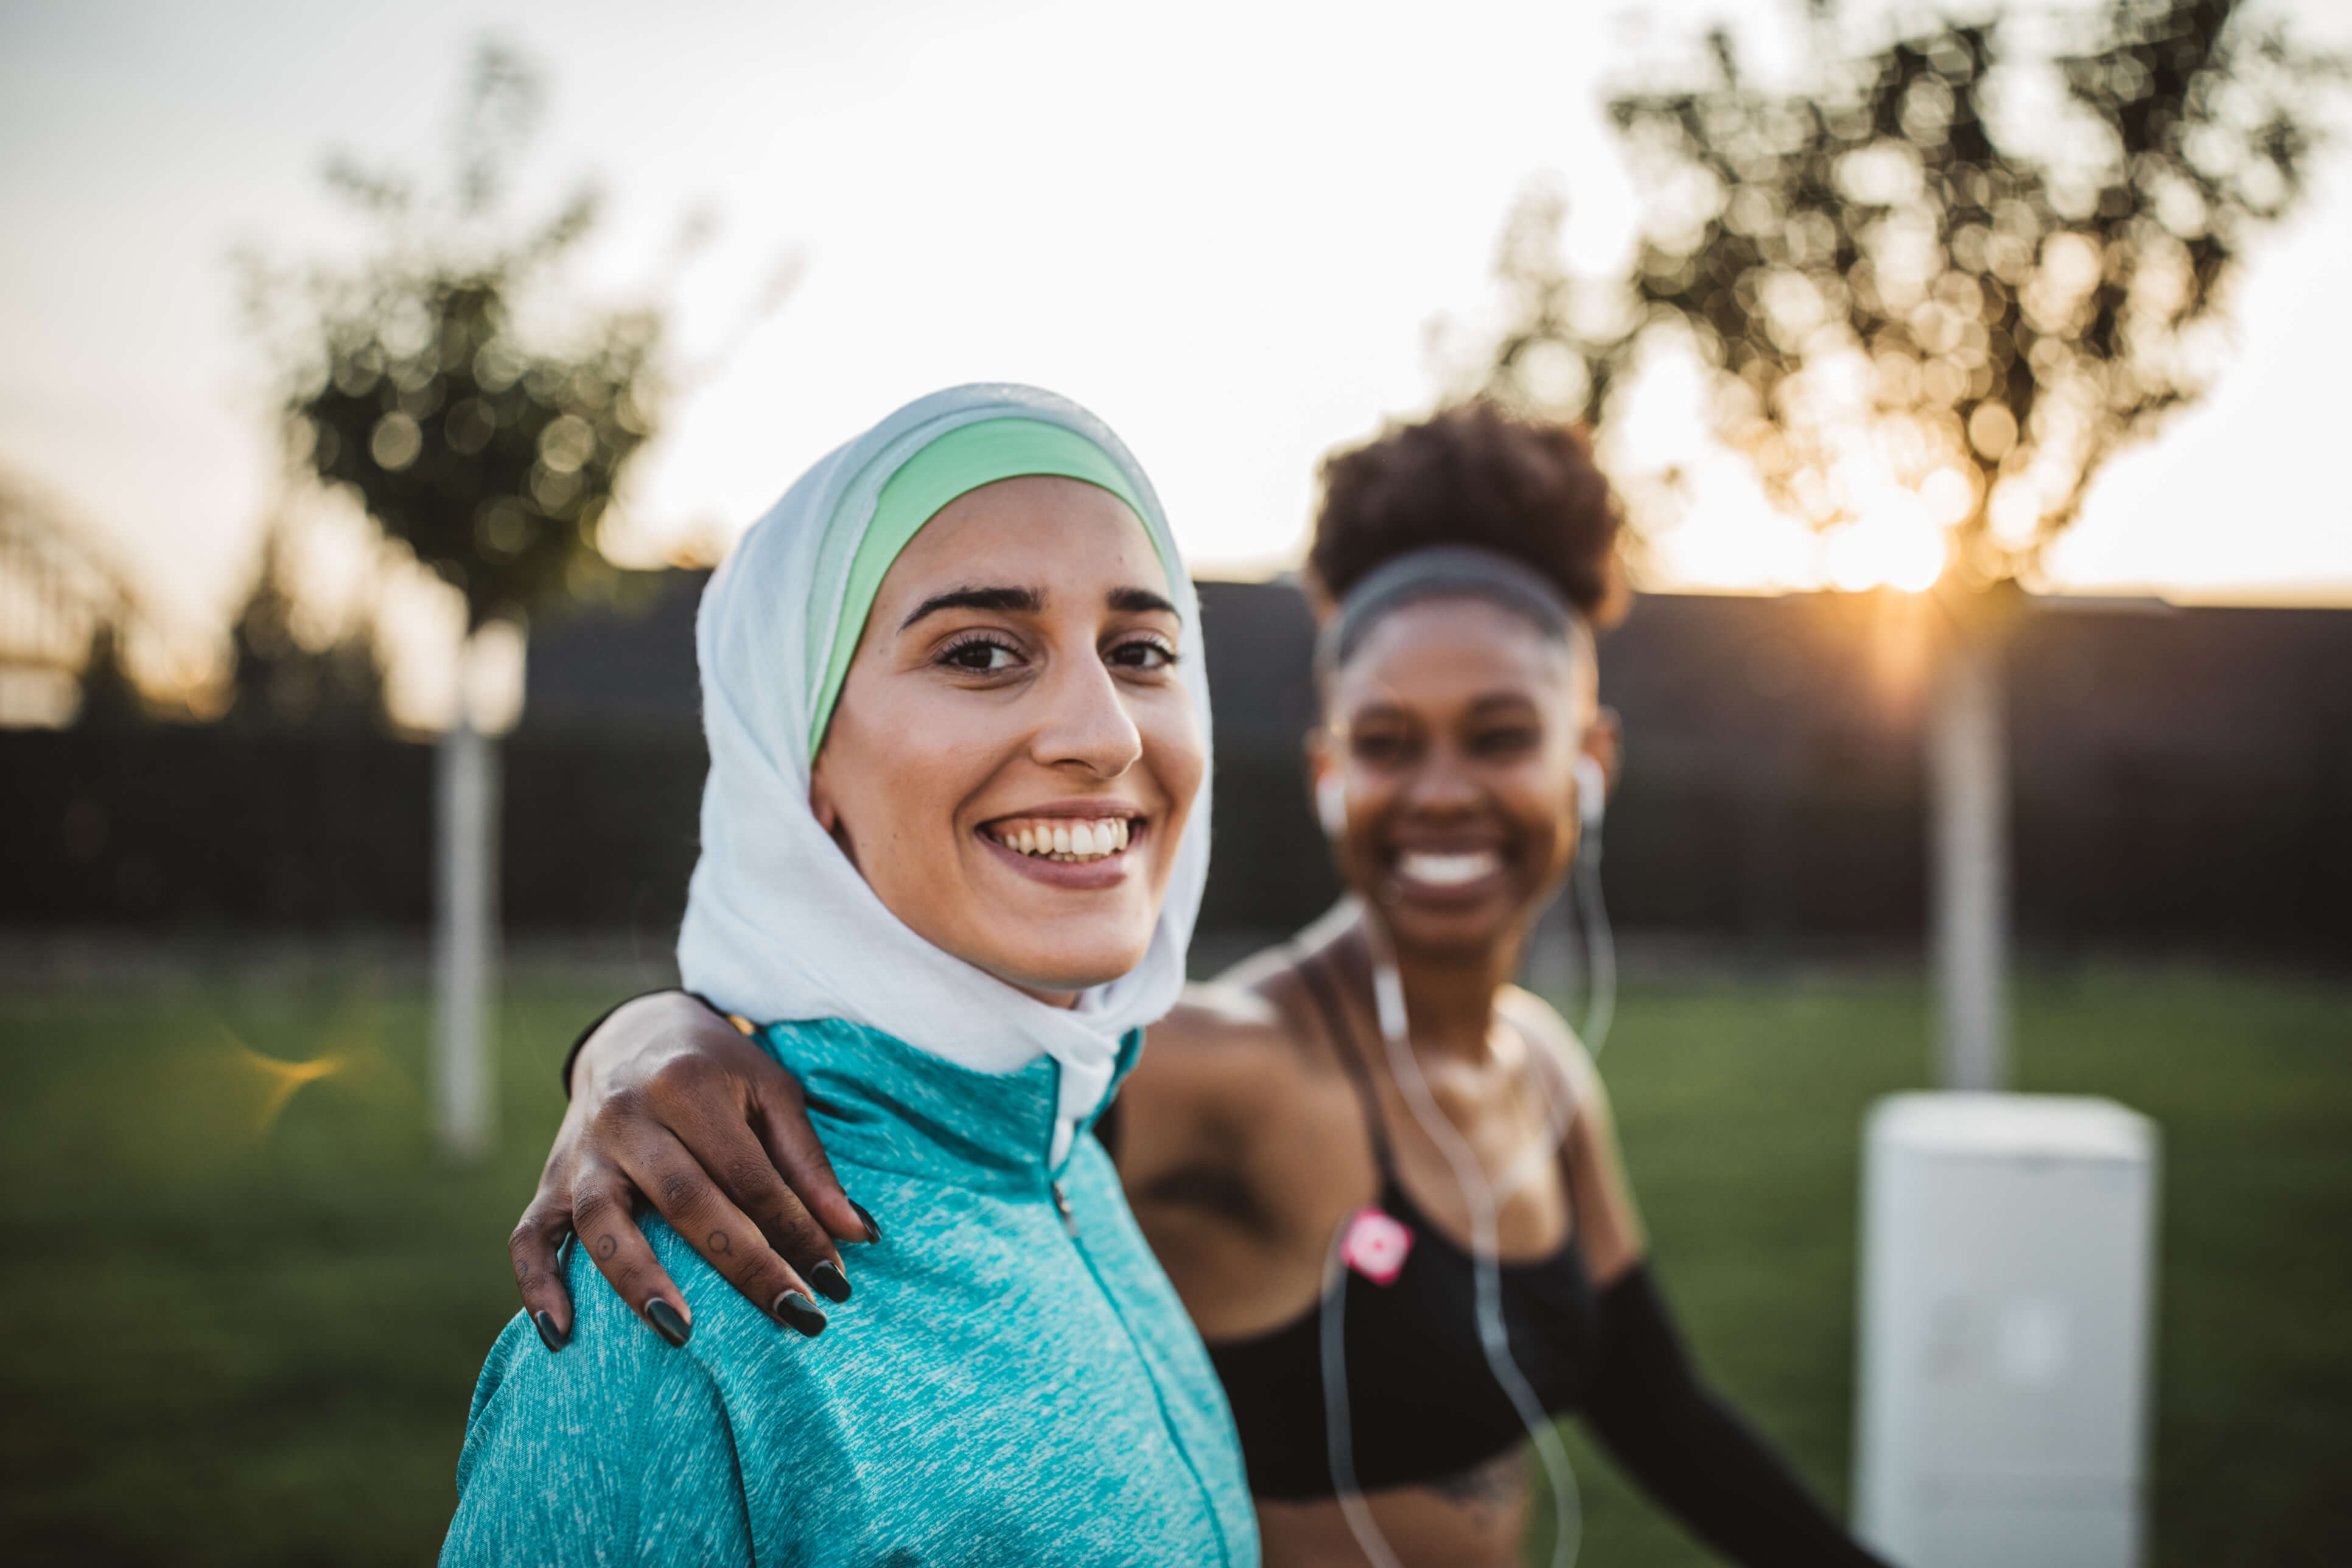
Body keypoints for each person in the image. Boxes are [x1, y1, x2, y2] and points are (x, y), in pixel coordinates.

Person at [517, 406, 1894, 1567]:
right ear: (1320, 768)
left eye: (1501, 736)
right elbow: (923, 1089)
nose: (1445, 792)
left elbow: (1662, 1414)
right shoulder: (1221, 1067)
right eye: (1388, 740)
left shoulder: (1543, 1076)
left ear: (1590, 759)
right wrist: (641, 1038)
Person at [442, 384, 1257, 1566]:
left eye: (1141, 651)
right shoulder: (667, 1315)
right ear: (800, 762)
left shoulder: (1064, 1157)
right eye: (981, 652)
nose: (1107, 733)